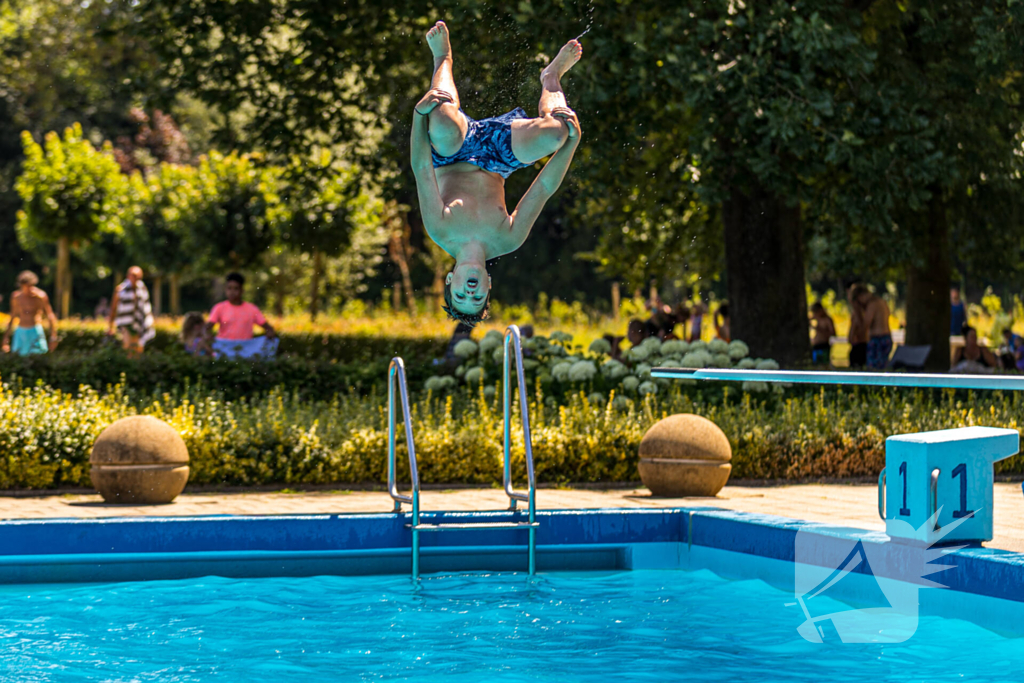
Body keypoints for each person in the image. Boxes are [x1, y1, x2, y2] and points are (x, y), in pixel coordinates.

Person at [412, 21, 582, 328]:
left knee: (441, 120)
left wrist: (418, 115)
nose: (470, 293)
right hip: (498, 158)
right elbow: (543, 187)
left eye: (460, 295)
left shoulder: (440, 230)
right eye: (477, 298)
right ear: (489, 285)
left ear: (450, 279)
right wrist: (572, 143)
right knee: (557, 133)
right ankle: (551, 76)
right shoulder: (508, 239)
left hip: (452, 155)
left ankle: (443, 59)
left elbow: (422, 169)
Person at [206, 272, 278, 359]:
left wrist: (270, 332)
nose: (232, 292)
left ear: (242, 290)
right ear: (225, 289)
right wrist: (207, 334)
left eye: (236, 289)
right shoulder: (219, 308)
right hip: (224, 348)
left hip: (245, 349)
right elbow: (208, 327)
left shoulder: (252, 309)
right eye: (229, 288)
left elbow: (267, 327)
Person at [1, 271, 57, 355]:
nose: (28, 289)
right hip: (20, 331)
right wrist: (6, 338)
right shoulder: (16, 297)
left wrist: (53, 336)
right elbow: (12, 316)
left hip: (35, 331)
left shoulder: (40, 296)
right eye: (25, 287)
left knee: (38, 357)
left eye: (30, 286)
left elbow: (50, 315)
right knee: (18, 358)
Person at [108, 266, 155, 356]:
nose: (135, 278)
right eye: (133, 275)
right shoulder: (121, 290)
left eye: (137, 276)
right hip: (126, 324)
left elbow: (146, 308)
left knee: (139, 349)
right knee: (128, 347)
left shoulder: (142, 289)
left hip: (139, 324)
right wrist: (111, 326)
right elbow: (113, 308)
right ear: (128, 276)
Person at [851, 285, 893, 370]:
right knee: (882, 366)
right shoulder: (882, 302)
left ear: (861, 296)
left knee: (873, 369)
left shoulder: (872, 305)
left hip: (877, 339)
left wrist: (857, 312)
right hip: (887, 337)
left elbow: (865, 325)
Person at [846, 285, 869, 368]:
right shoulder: (858, 312)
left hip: (860, 345)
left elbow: (861, 328)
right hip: (857, 345)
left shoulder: (859, 312)